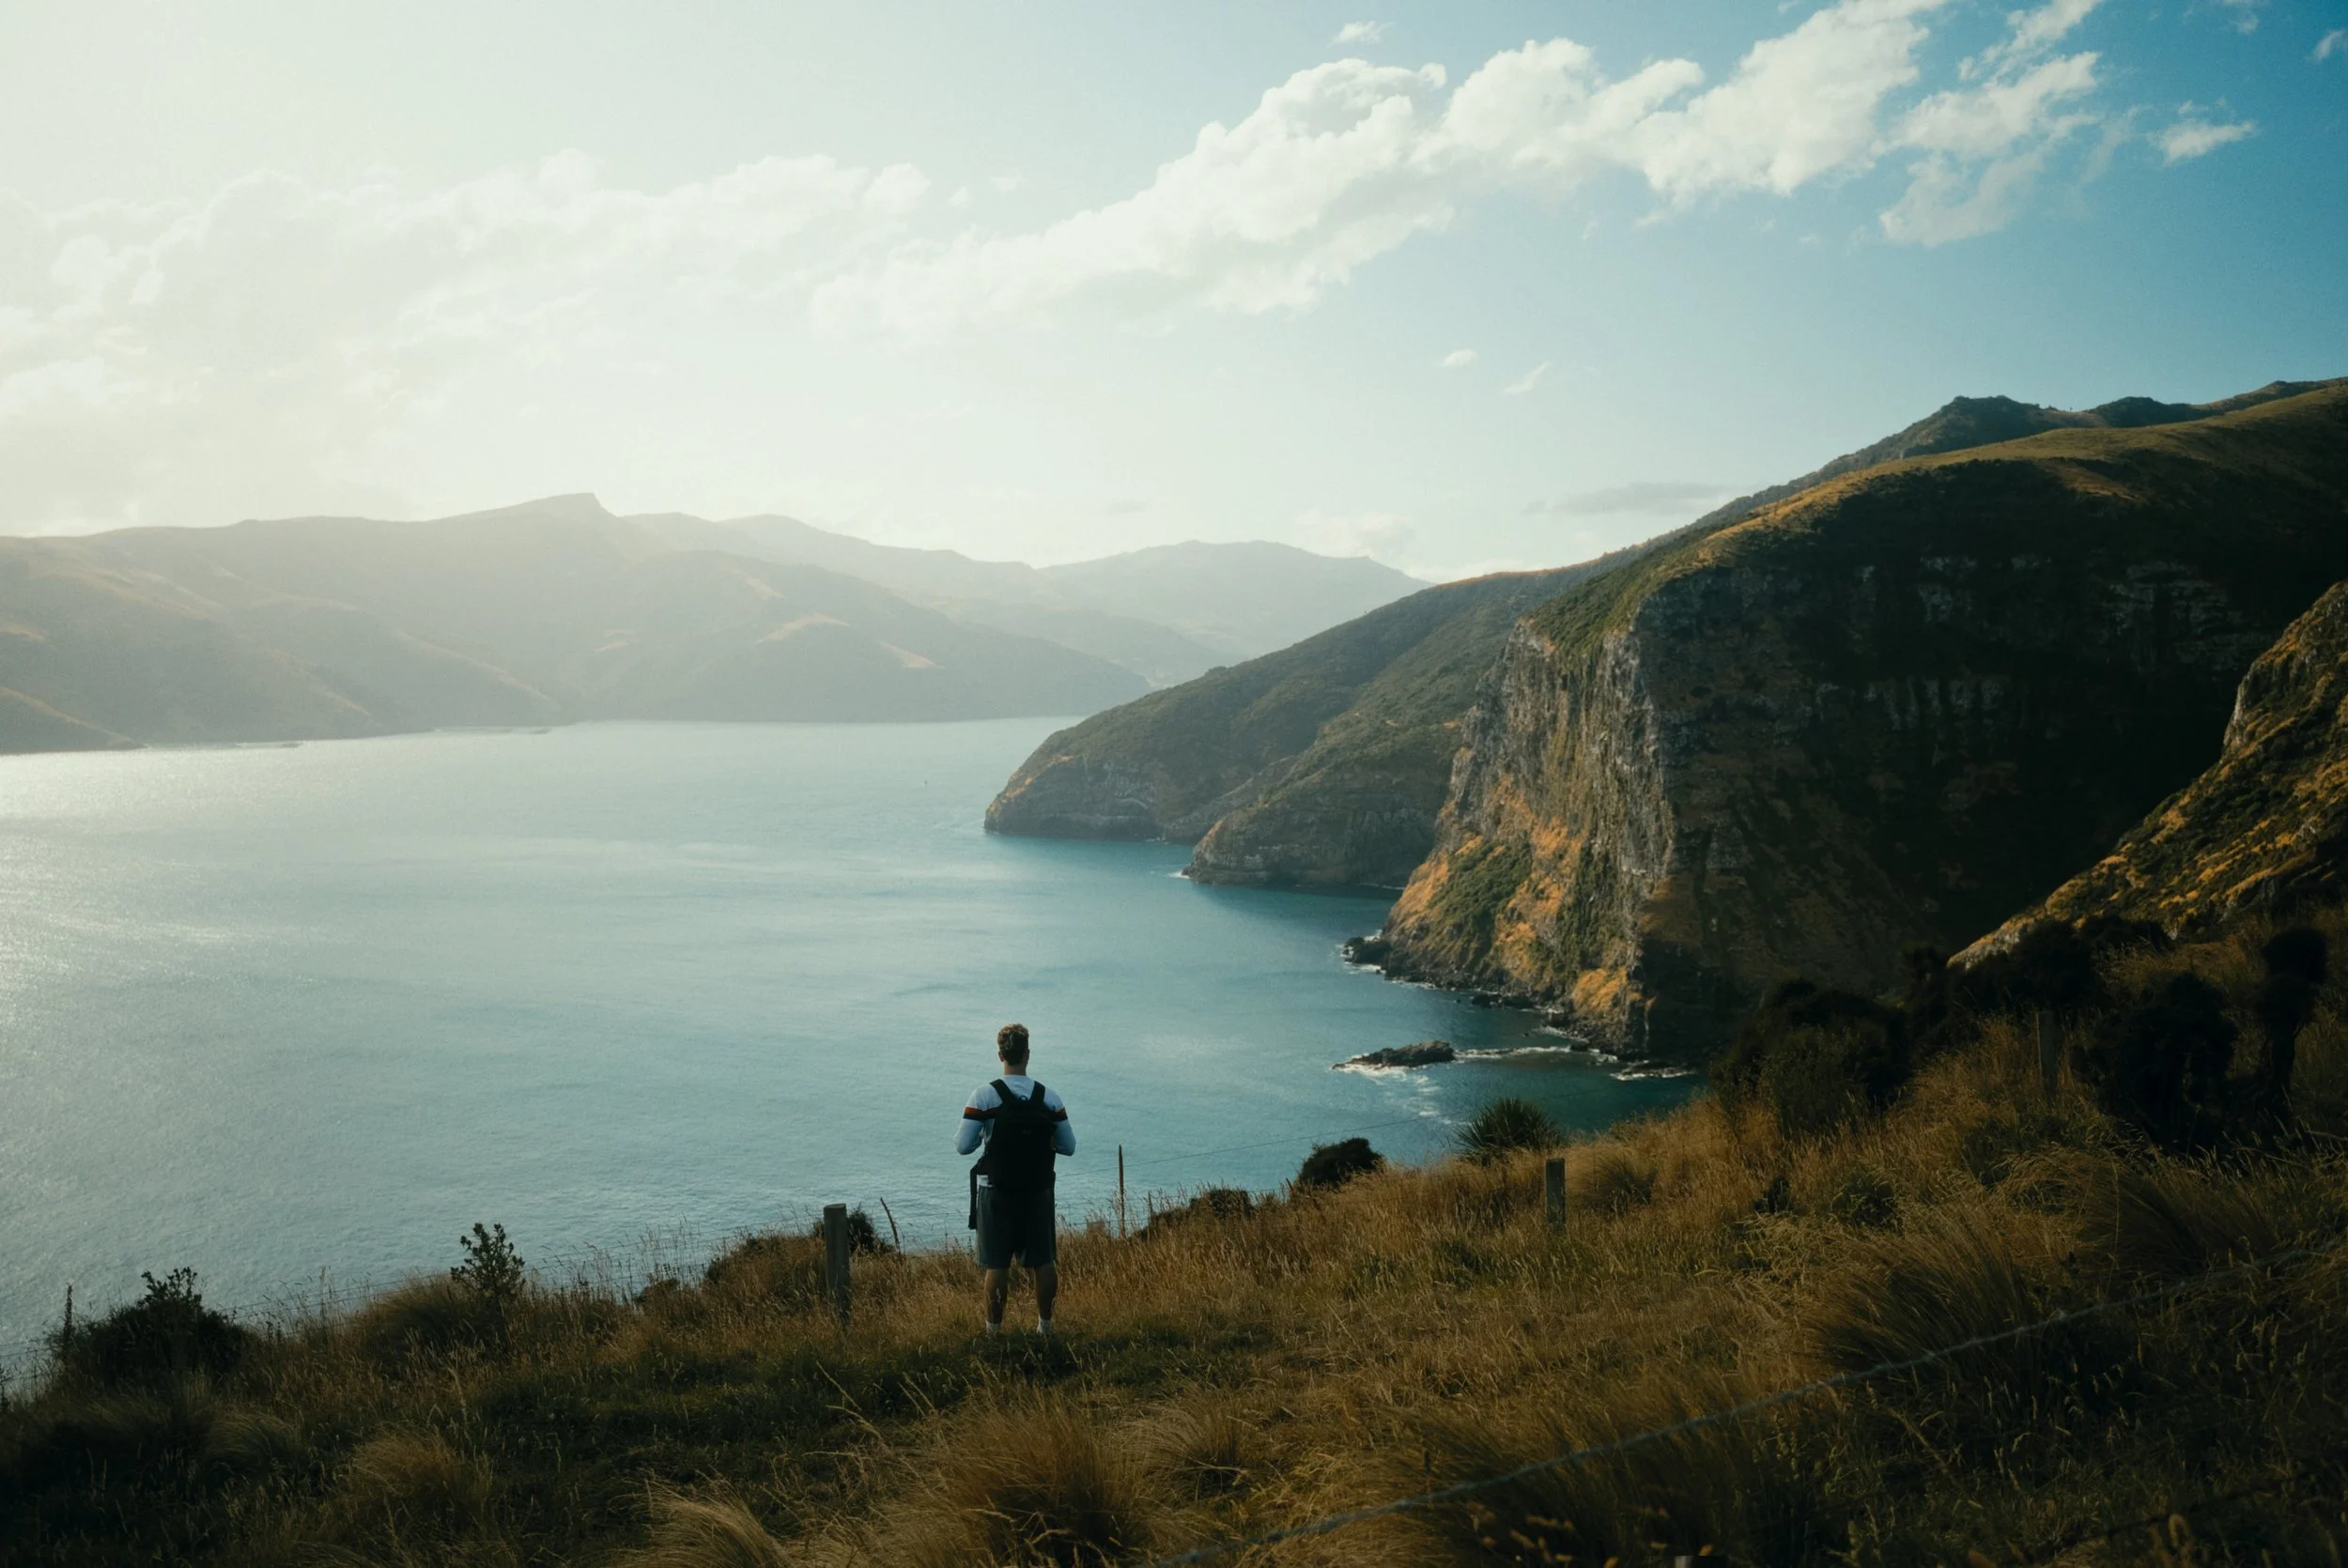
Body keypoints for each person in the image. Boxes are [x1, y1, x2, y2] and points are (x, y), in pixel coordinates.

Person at [956, 1022, 1074, 1334]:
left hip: (997, 1191)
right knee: (1043, 1261)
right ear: (1028, 1054)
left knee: (997, 1265)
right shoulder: (1048, 1097)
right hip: (1037, 1190)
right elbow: (1069, 1146)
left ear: (1000, 1055)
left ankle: (994, 1334)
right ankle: (1045, 1329)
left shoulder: (983, 1096)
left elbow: (962, 1147)